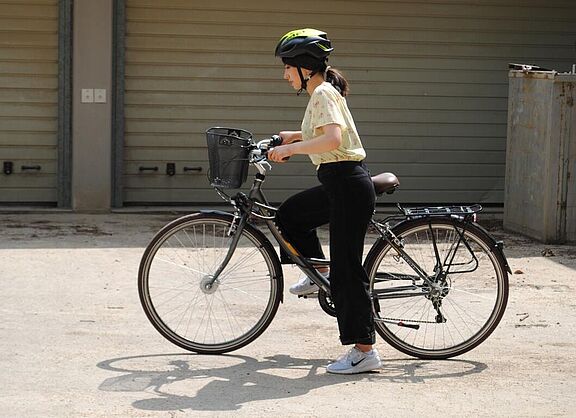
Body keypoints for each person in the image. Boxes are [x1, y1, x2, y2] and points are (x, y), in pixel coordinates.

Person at [268, 29, 381, 374]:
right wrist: (294, 135)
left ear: (304, 67)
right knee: (290, 215)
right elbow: (328, 133)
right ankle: (319, 270)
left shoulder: (323, 94)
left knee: (348, 270)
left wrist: (289, 149)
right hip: (338, 183)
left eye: (288, 67)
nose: (285, 74)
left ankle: (364, 351)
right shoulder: (322, 93)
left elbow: (332, 140)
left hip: (347, 183)